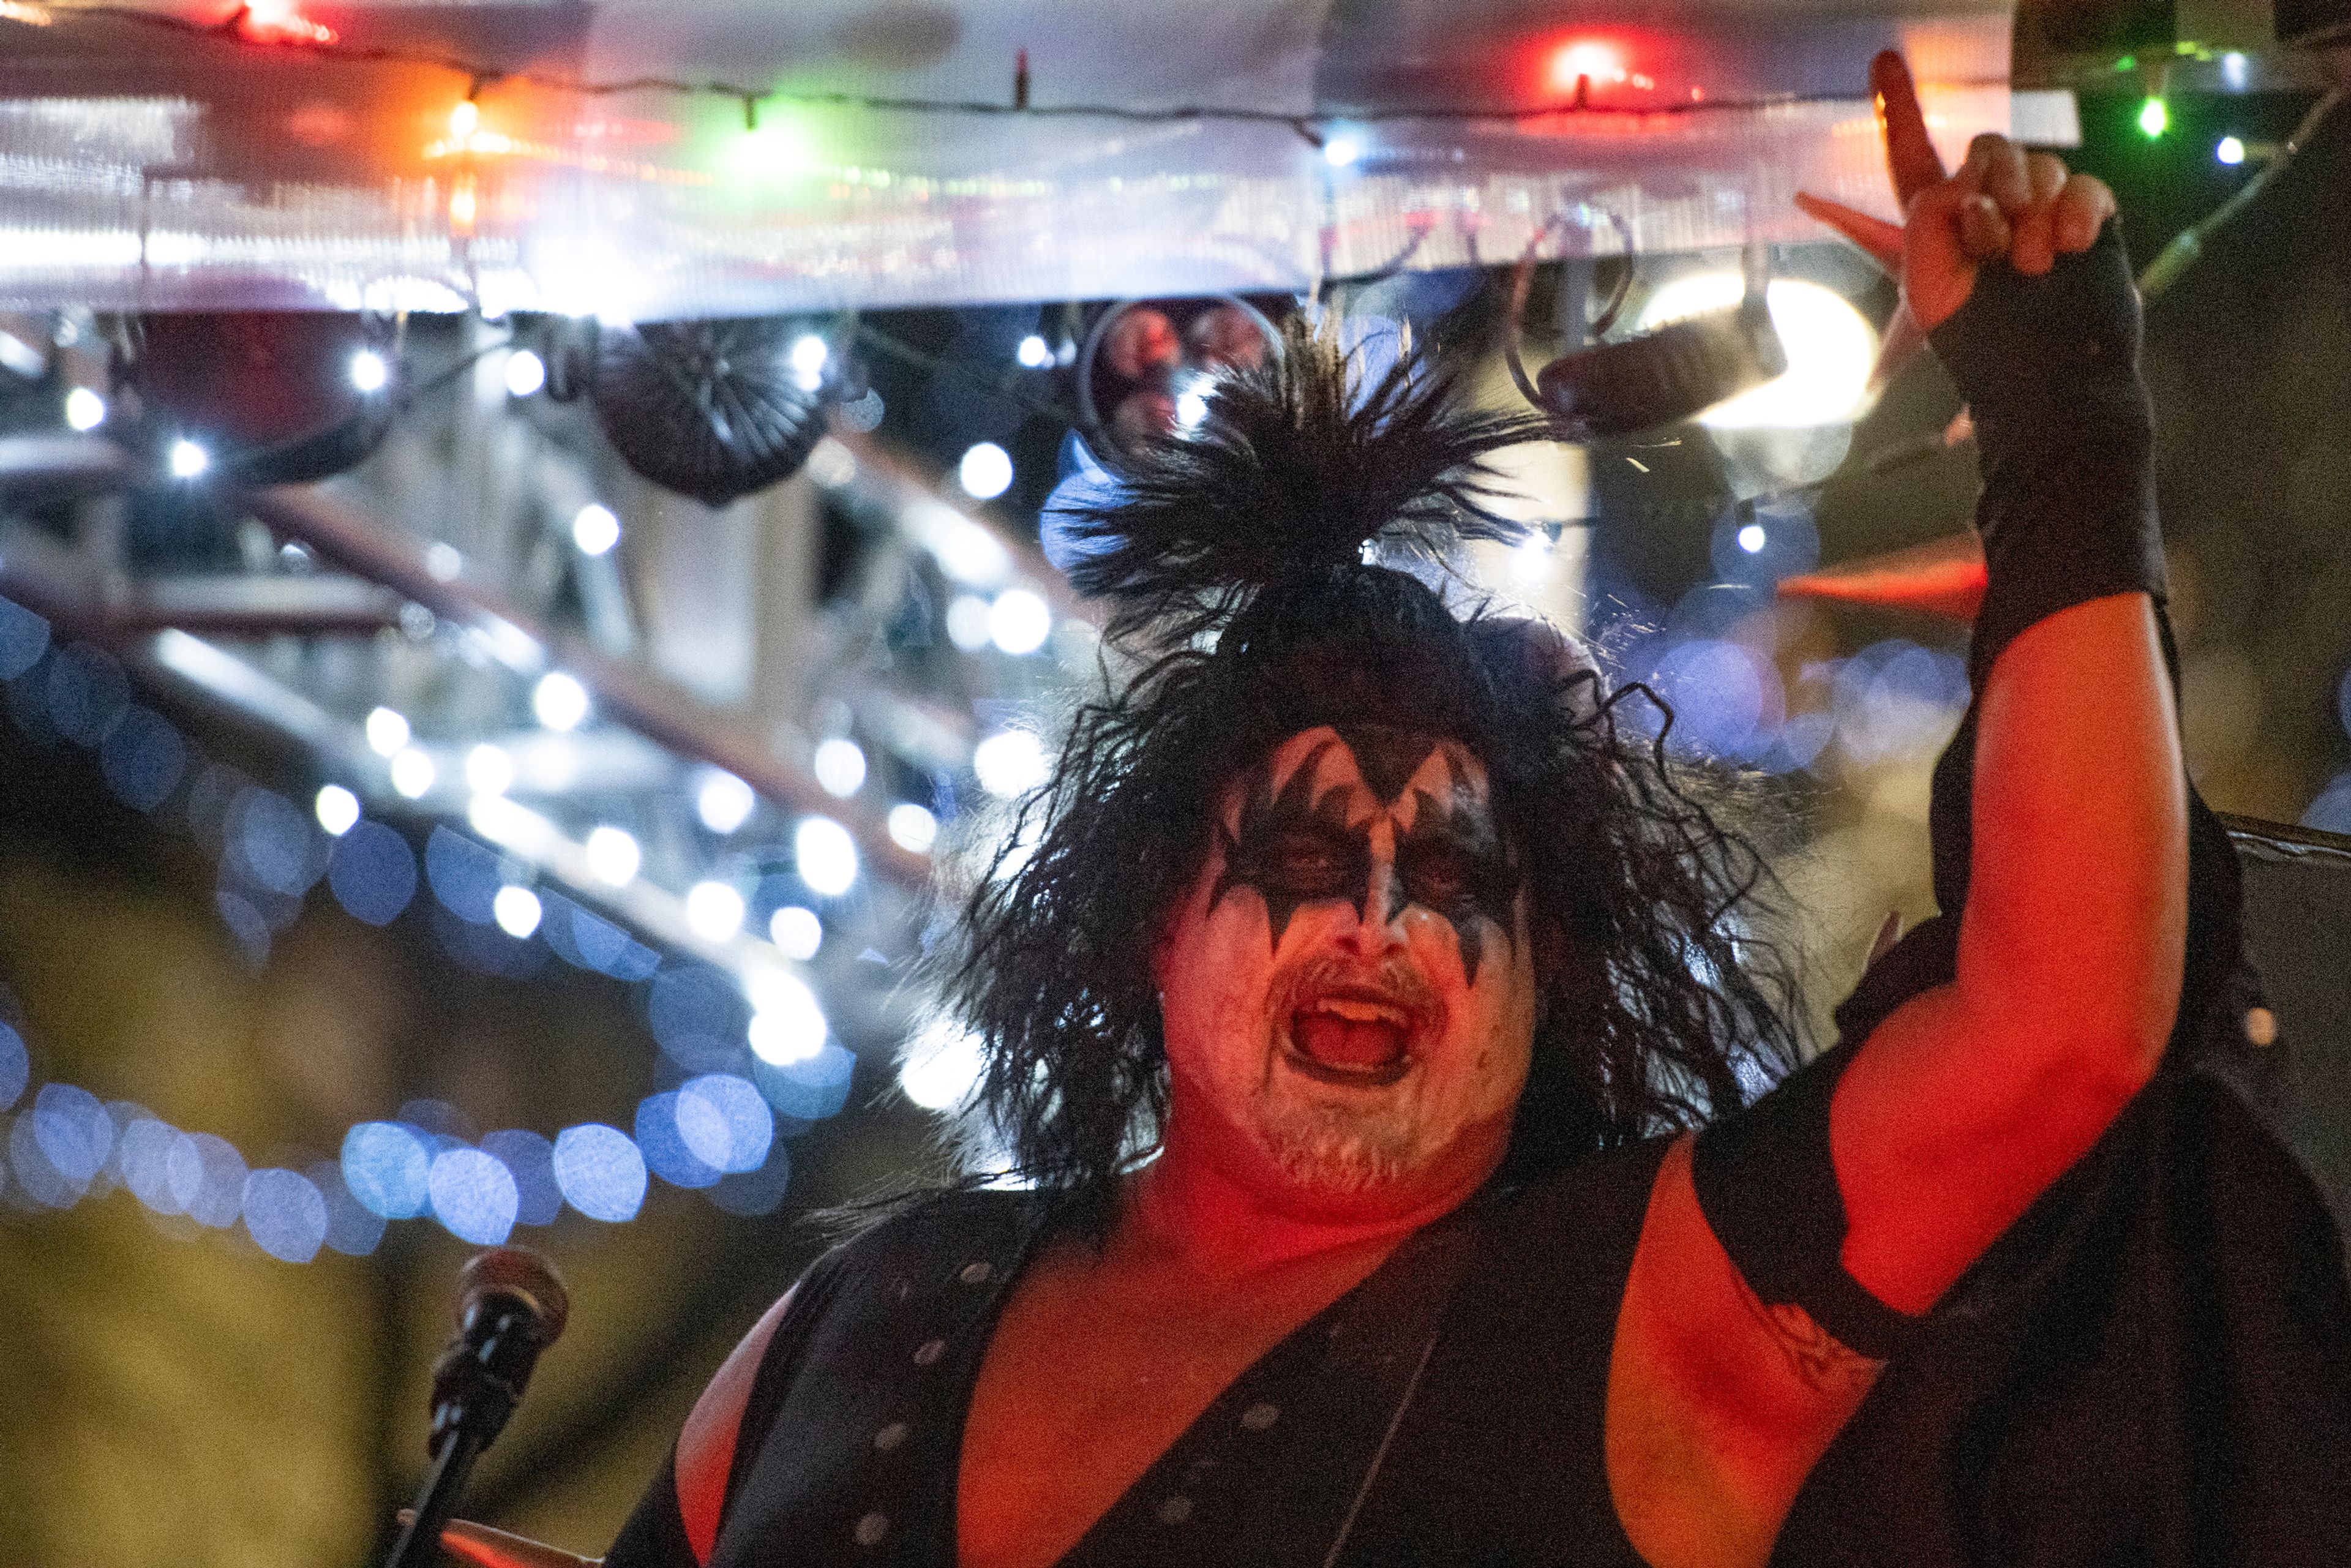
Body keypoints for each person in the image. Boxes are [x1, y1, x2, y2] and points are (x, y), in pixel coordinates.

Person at [428, 52, 2351, 1568]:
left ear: (1551, 967)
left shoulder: (1645, 1305)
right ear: (1150, 923)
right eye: (1298, 854)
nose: (1386, 920)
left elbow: (2063, 1018)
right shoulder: (863, 1317)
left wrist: (2067, 422)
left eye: (1459, 874)